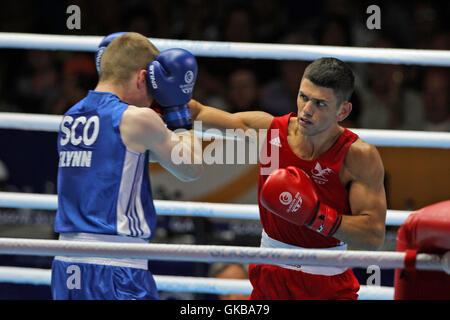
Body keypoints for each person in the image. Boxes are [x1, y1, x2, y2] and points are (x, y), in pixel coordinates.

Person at [189, 57, 387, 299]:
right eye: (303, 97)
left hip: (326, 282)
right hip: (270, 276)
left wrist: (315, 216)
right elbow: (198, 113)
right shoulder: (269, 131)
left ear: (343, 111)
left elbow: (373, 236)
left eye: (320, 104)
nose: (307, 110)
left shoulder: (358, 156)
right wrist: (161, 99)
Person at [51, 32, 203, 300]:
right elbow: (190, 168)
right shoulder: (136, 119)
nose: (154, 97)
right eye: (154, 87)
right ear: (143, 77)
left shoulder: (71, 117)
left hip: (66, 263)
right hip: (116, 266)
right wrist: (178, 111)